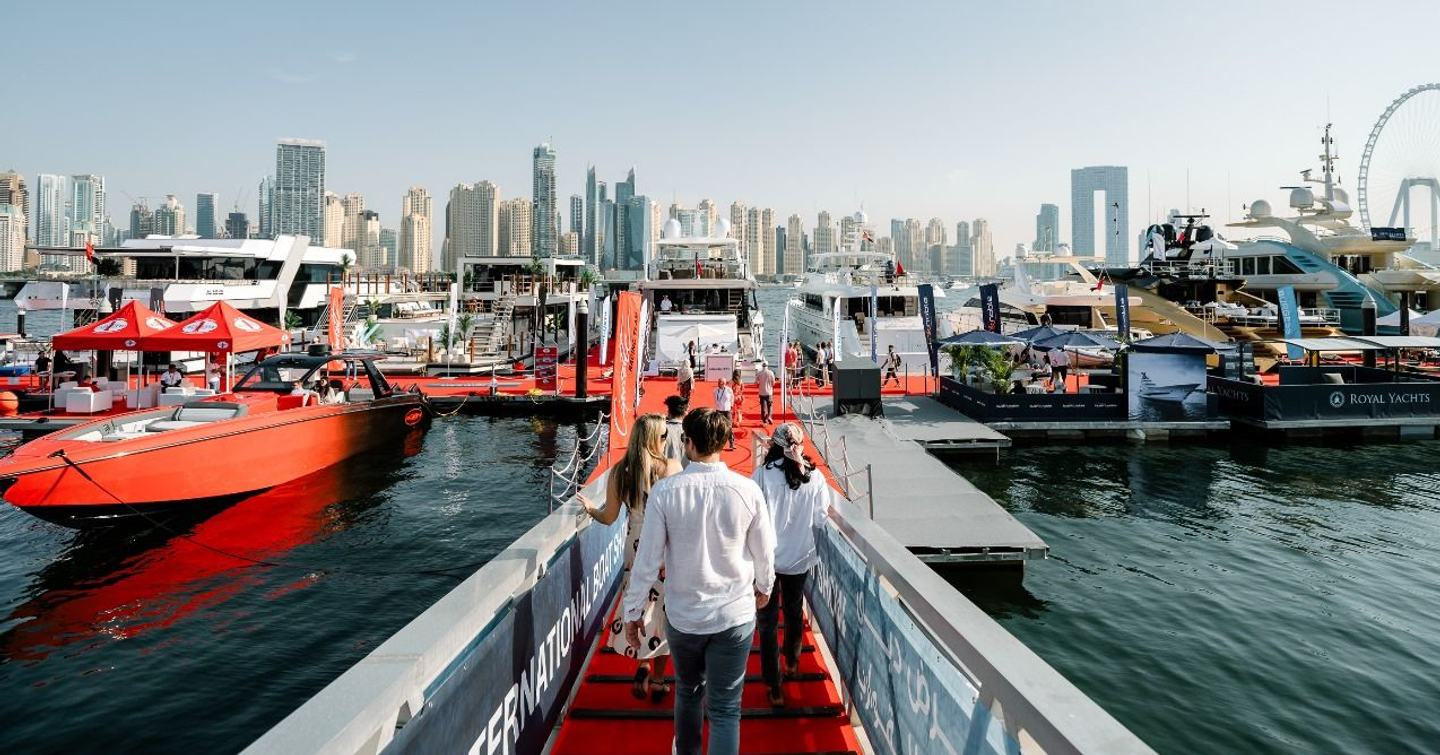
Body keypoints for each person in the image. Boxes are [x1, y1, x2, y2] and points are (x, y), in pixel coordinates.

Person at [623, 408, 775, 755]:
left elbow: (647, 561)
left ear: (687, 442)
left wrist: (633, 613)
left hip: (685, 615)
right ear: (724, 442)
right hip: (734, 614)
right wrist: (764, 588)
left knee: (688, 691)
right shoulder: (747, 490)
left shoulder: (665, 493)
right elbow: (765, 552)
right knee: (724, 708)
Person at [583, 414, 682, 702]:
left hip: (635, 542)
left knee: (639, 603)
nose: (667, 441)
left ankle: (643, 665)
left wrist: (590, 509)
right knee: (663, 608)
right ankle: (660, 679)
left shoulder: (620, 471)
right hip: (665, 543)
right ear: (656, 439)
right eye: (664, 436)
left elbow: (609, 516)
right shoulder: (671, 467)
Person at [753, 423, 832, 707]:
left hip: (768, 561)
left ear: (773, 445)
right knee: (794, 611)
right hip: (800, 557)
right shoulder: (816, 478)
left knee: (767, 622)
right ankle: (793, 661)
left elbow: (752, 520)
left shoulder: (762, 476)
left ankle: (774, 686)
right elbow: (822, 518)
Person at [662, 395, 688, 465]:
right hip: (687, 473)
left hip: (665, 473)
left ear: (668, 411)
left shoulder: (660, 429)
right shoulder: (691, 430)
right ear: (685, 412)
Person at [713, 375, 736, 450]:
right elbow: (716, 399)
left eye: (720, 382)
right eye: (718, 382)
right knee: (718, 427)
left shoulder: (729, 390)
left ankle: (731, 443)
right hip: (719, 411)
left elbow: (732, 398)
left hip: (727, 411)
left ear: (724, 383)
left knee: (729, 427)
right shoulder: (715, 390)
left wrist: (731, 406)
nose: (719, 383)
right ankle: (718, 444)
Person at [755, 360, 775, 425]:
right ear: (767, 365)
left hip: (761, 392)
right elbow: (773, 383)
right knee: (770, 405)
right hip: (769, 392)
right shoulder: (770, 372)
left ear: (762, 365)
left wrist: (760, 385)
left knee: (763, 407)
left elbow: (756, 382)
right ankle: (769, 416)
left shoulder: (759, 373)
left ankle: (764, 420)